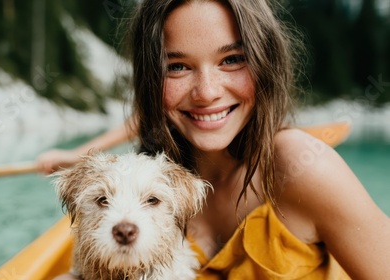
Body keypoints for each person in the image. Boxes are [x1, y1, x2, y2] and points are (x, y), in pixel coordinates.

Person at [38, 0, 390, 279]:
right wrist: (77, 156)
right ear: (151, 80)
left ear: (265, 64)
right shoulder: (154, 181)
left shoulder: (301, 166)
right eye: (177, 67)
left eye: (232, 59)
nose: (206, 92)